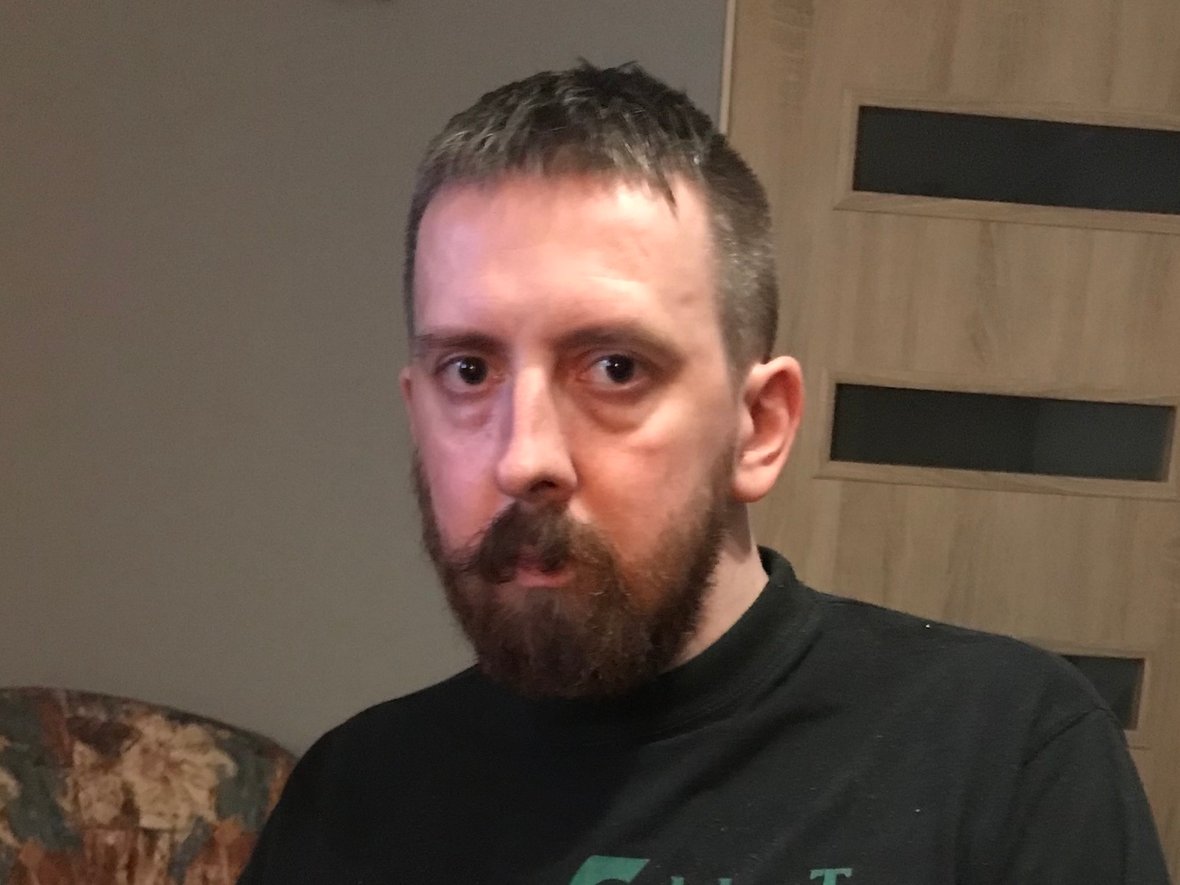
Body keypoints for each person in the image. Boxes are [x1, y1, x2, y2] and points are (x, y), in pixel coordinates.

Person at [238, 63, 1169, 884]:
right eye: (469, 371)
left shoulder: (1003, 753)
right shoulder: (351, 800)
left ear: (758, 427)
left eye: (614, 368)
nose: (523, 457)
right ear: (416, 412)